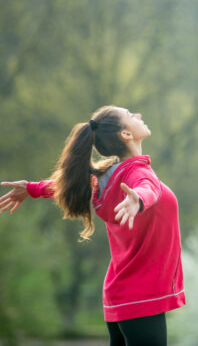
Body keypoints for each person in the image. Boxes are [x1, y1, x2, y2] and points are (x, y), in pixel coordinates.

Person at [0, 105, 186, 346]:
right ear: (126, 135)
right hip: (141, 297)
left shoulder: (107, 177)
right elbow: (148, 188)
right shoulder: (137, 173)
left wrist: (32, 188)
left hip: (122, 296)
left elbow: (71, 183)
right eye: (131, 115)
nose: (138, 115)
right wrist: (138, 201)